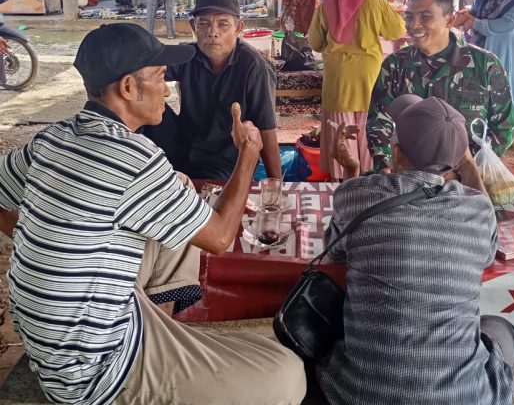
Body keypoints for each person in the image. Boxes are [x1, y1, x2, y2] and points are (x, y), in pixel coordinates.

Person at [0, 23, 306, 405]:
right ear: (129, 88)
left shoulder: (53, 137)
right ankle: (151, 376)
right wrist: (248, 155)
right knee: (287, 374)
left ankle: (160, 326)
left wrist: (48, 244)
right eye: (160, 77)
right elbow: (219, 237)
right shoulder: (136, 159)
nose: (167, 89)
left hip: (55, 340)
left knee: (180, 190)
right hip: (92, 371)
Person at [318, 96, 514, 405]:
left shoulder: (357, 194)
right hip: (464, 397)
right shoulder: (478, 210)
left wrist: (351, 171)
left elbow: (334, 253)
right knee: (500, 328)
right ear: (457, 161)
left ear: (397, 153)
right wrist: (468, 165)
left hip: (359, 394)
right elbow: (488, 253)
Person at [367, 0, 514, 172]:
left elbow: (504, 127)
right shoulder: (395, 66)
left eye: (425, 17)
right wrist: (385, 165)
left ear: (450, 20)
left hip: (466, 181)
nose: (414, 25)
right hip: (407, 178)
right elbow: (379, 120)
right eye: (409, 17)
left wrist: (467, 171)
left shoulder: (485, 66)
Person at [143, 0, 282, 180]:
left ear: (238, 28)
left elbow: (267, 130)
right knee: (141, 100)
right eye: (203, 24)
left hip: (226, 161)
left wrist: (277, 184)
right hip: (185, 148)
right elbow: (144, 66)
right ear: (193, 27)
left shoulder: (254, 67)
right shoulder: (188, 55)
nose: (212, 33)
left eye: (223, 24)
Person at [308, 0, 406, 179]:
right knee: (367, 125)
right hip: (368, 75)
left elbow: (315, 43)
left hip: (338, 78)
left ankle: (342, 180)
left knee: (339, 128)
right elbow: (397, 30)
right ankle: (369, 178)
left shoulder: (326, 5)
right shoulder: (374, 2)